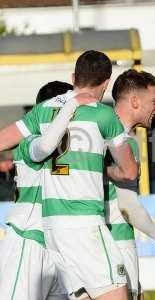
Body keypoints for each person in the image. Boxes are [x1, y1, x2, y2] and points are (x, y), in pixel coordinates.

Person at [18, 50, 137, 300]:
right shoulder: (103, 114)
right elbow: (129, 171)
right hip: (85, 224)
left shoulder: (43, 111)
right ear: (106, 82)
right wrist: (104, 169)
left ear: (73, 77)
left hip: (51, 229)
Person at [0, 81, 97, 300]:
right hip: (29, 237)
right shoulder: (29, 142)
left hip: (61, 245)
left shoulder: (75, 146)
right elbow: (44, 146)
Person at [107, 69, 155, 299]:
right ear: (135, 101)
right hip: (116, 242)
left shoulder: (93, 132)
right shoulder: (125, 142)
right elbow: (127, 205)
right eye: (153, 101)